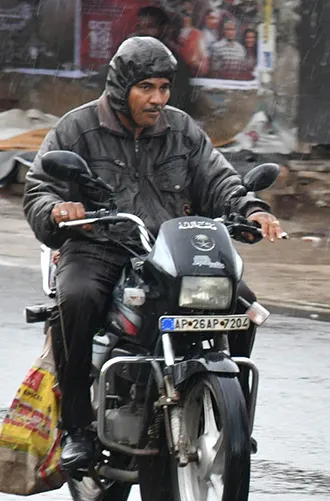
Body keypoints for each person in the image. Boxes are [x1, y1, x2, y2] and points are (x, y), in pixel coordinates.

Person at [23, 37, 284, 472]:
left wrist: (252, 210)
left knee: (241, 305)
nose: (158, 99)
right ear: (121, 86)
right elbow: (39, 188)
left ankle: (228, 421)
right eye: (146, 87)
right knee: (79, 300)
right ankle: (76, 428)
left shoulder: (182, 131)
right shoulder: (78, 128)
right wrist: (58, 209)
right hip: (101, 246)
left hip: (169, 251)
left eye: (164, 87)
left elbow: (219, 180)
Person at [95, 6, 197, 116]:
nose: (143, 32)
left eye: (149, 27)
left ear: (163, 29)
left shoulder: (174, 62)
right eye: (139, 27)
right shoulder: (126, 53)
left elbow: (178, 102)